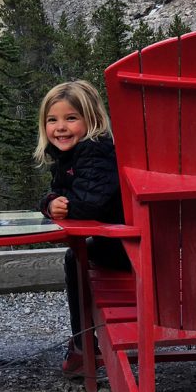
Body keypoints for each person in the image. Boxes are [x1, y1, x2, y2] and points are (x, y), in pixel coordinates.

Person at [36, 79, 130, 374]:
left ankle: (82, 345)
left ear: (93, 121)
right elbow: (60, 193)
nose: (60, 127)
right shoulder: (70, 157)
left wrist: (65, 206)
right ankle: (82, 343)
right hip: (123, 243)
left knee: (76, 258)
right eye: (52, 120)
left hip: (127, 246)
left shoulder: (96, 152)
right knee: (76, 256)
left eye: (71, 118)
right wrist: (51, 202)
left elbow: (92, 204)